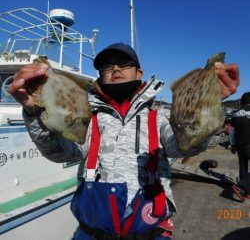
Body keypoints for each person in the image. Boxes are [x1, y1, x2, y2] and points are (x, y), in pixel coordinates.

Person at [8, 43, 239, 239]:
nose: (115, 68)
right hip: (91, 232)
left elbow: (185, 143)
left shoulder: (158, 117)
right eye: (107, 65)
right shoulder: (87, 118)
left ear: (139, 73)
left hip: (151, 231)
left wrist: (208, 103)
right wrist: (33, 113)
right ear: (100, 75)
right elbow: (61, 153)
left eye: (124, 63)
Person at [230, 92, 250, 202]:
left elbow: (232, 132)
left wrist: (233, 145)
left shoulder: (236, 114)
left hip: (240, 145)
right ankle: (241, 186)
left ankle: (246, 191)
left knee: (243, 167)